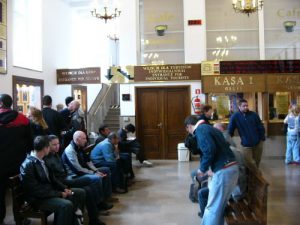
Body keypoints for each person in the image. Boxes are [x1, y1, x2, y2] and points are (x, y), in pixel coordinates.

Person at [185, 116, 239, 225]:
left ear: (189, 127)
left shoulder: (200, 129)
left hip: (224, 170)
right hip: (230, 168)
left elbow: (209, 150)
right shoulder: (210, 128)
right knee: (217, 208)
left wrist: (202, 169)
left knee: (212, 208)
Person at [20, 136, 85, 225]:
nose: (51, 149)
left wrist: (64, 188)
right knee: (66, 205)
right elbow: (35, 190)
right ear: (45, 148)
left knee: (73, 195)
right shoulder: (28, 165)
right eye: (50, 146)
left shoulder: (41, 159)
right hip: (37, 199)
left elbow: (52, 179)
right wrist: (59, 194)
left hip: (48, 193)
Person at [45, 135, 108, 225]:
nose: (57, 146)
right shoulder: (48, 158)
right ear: (47, 146)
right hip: (63, 183)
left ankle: (93, 217)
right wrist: (65, 187)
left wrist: (95, 171)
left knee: (89, 189)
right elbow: (55, 178)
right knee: (90, 183)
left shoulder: (55, 155)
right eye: (54, 144)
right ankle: (93, 214)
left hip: (65, 180)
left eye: (58, 143)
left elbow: (86, 162)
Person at [0, 94, 32, 224]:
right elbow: (30, 142)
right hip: (18, 162)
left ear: (1, 103)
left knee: (0, 192)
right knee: (18, 192)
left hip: (0, 164)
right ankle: (20, 219)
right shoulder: (23, 119)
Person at [62, 131, 114, 207]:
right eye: (84, 139)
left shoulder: (80, 147)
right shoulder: (70, 150)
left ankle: (106, 197)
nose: (86, 140)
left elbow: (88, 162)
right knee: (97, 178)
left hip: (83, 171)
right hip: (74, 176)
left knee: (106, 170)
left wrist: (96, 170)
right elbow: (78, 169)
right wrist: (94, 173)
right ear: (77, 139)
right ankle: (99, 203)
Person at [228, 99, 265, 168]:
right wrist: (228, 139)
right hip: (246, 143)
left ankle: (254, 177)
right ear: (239, 107)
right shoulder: (235, 116)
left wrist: (262, 138)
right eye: (244, 106)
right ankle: (257, 175)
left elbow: (260, 126)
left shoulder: (254, 115)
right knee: (249, 162)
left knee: (257, 162)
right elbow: (230, 129)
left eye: (247, 105)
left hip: (258, 142)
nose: (246, 107)